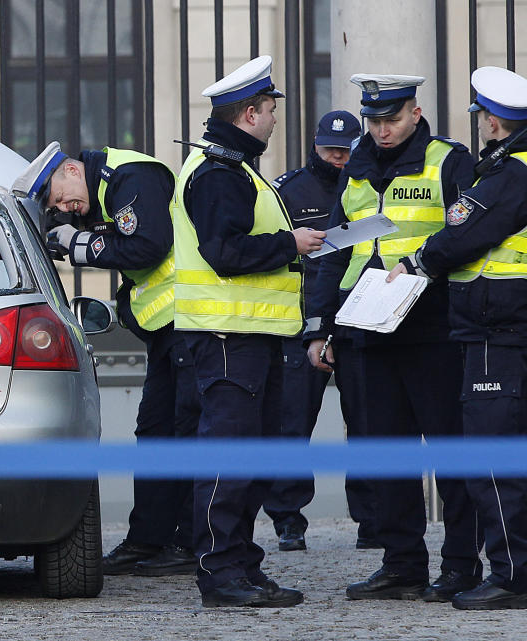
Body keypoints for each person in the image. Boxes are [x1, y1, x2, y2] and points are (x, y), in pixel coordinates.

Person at [304, 73, 482, 602]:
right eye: (374, 121)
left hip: (434, 331)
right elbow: (335, 250)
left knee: (451, 455)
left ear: (416, 113)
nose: (382, 131)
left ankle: (460, 567)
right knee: (385, 455)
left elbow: (466, 237)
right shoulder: (355, 168)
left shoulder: (449, 161)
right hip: (366, 332)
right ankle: (402, 565)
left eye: (392, 119)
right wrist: (320, 327)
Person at [172, 55, 325, 608]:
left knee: (253, 455)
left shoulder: (235, 168)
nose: (275, 119)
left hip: (248, 336)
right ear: (249, 114)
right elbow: (224, 254)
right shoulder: (219, 175)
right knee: (229, 456)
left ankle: (241, 563)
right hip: (226, 336)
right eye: (270, 110)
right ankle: (219, 572)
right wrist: (293, 245)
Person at [12, 141, 200, 577]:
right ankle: (147, 541)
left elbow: (149, 246)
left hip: (191, 323)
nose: (68, 207)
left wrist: (81, 244)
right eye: (59, 208)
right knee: (155, 433)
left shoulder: (129, 176)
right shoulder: (104, 191)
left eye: (60, 196)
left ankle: (189, 543)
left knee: (186, 432)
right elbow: (126, 242)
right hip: (168, 328)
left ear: (71, 169)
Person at [388, 66, 527, 610]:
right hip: (508, 329)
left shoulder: (508, 175)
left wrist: (416, 260)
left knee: (492, 461)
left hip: (496, 332)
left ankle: (512, 577)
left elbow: (463, 236)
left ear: (491, 120)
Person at [265, 110, 379, 552]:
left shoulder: (368, 187)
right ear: (314, 145)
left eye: (343, 149)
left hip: (358, 316)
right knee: (292, 422)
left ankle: (373, 518)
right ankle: (288, 519)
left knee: (367, 421)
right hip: (303, 320)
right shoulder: (290, 191)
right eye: (327, 149)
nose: (335, 157)